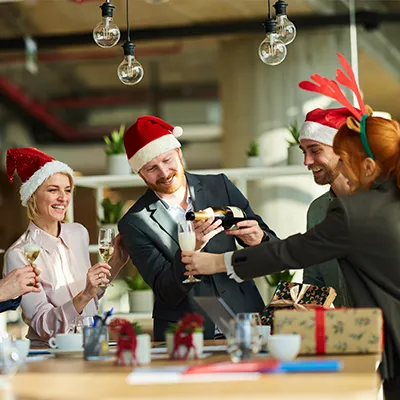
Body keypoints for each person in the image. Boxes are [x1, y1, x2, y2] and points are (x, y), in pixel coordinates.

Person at [181, 54, 400, 398]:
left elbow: (292, 251)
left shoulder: (358, 212)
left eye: (320, 150)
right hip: (359, 340)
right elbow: (310, 270)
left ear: (361, 161)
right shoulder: (365, 204)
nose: (308, 162)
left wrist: (219, 262)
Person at [118, 115, 277, 341]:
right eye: (151, 168)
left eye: (167, 160)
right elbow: (165, 290)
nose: (164, 173)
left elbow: (273, 245)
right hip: (186, 331)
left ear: (179, 153)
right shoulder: (135, 222)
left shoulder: (219, 185)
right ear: (139, 173)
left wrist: (259, 238)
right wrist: (194, 246)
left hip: (245, 318)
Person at [4, 148, 129, 346]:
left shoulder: (78, 233)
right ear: (32, 197)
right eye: (53, 190)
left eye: (67, 190)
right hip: (51, 354)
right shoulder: (19, 254)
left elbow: (91, 296)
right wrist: (86, 294)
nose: (64, 198)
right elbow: (43, 326)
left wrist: (117, 261)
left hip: (91, 344)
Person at [300, 108, 353, 307]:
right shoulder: (317, 210)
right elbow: (314, 282)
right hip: (347, 332)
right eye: (304, 152)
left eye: (315, 150)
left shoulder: (384, 203)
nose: (306, 161)